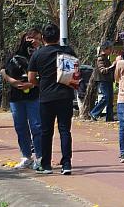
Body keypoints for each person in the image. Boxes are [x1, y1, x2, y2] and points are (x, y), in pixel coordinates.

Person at [28, 23, 79, 175]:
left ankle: (46, 164)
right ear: (58, 37)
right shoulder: (68, 51)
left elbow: (31, 78)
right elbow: (75, 72)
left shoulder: (38, 54)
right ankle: (67, 164)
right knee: (65, 130)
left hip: (46, 97)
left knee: (46, 131)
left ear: (43, 38)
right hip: (65, 96)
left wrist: (41, 84)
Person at [2, 31, 43, 170]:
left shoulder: (40, 55)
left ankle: (40, 157)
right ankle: (26, 156)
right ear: (25, 38)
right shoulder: (14, 55)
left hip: (34, 97)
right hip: (16, 98)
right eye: (32, 38)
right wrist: (14, 82)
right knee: (20, 127)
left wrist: (31, 84)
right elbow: (3, 71)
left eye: (38, 39)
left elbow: (45, 76)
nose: (35, 41)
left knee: (36, 127)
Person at [89, 42, 115, 122]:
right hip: (103, 80)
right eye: (110, 49)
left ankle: (110, 117)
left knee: (110, 99)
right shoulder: (100, 58)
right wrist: (112, 66)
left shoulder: (106, 58)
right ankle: (94, 113)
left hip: (108, 80)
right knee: (105, 97)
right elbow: (102, 70)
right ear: (106, 49)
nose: (111, 51)